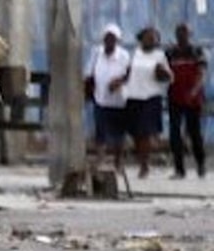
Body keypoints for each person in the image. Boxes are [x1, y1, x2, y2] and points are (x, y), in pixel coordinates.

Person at [122, 26, 173, 178]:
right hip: (133, 95)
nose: (152, 40)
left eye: (154, 38)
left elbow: (169, 76)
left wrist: (162, 73)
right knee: (135, 133)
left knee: (145, 132)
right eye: (149, 37)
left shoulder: (160, 55)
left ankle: (144, 165)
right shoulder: (135, 54)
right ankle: (141, 159)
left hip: (150, 96)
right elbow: (129, 72)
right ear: (141, 38)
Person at [84, 23, 131, 169]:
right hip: (101, 99)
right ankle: (100, 161)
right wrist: (86, 92)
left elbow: (129, 74)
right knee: (101, 133)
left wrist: (119, 82)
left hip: (119, 101)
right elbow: (89, 74)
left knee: (119, 134)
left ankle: (118, 162)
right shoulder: (96, 53)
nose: (109, 41)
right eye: (107, 38)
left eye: (113, 38)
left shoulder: (124, 55)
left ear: (117, 40)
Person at [165, 23, 207, 178]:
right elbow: (165, 72)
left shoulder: (196, 51)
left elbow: (201, 73)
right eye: (179, 32)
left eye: (185, 32)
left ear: (190, 34)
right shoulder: (170, 52)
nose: (182, 35)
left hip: (192, 99)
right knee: (175, 133)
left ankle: (201, 164)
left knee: (194, 132)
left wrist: (194, 91)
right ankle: (179, 169)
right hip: (175, 97)